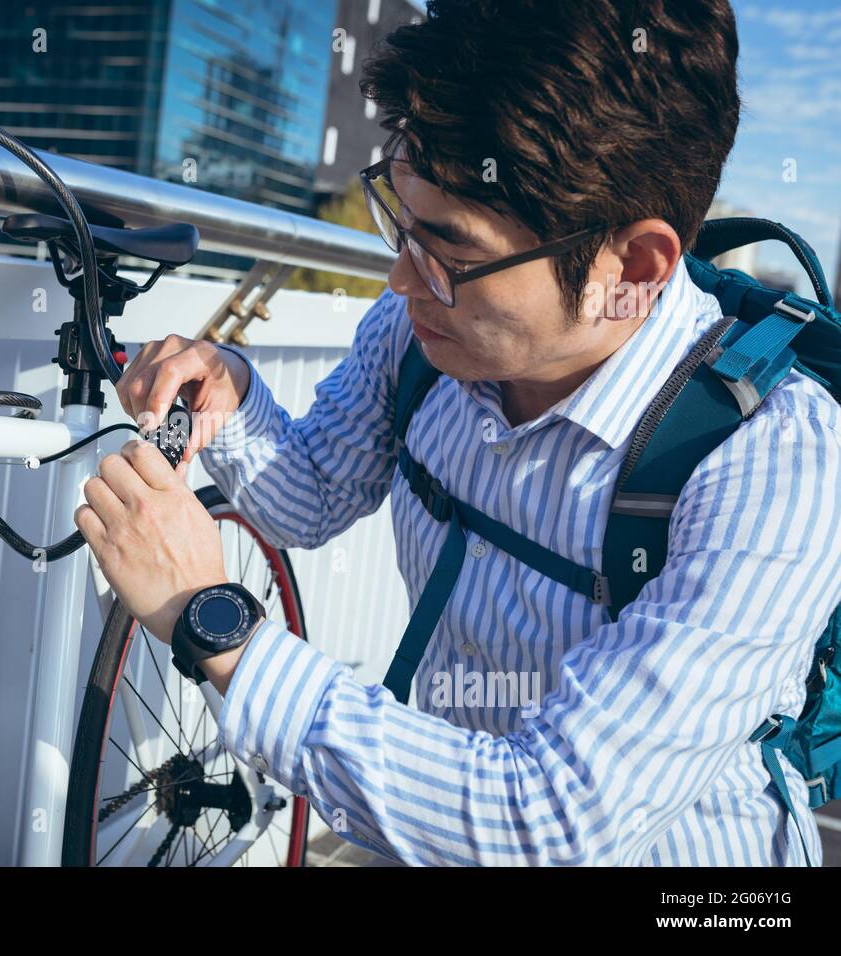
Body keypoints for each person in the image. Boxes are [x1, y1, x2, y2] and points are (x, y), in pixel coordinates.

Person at [71, 0, 841, 865]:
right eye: (399, 220)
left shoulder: (771, 461)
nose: (401, 278)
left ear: (632, 269)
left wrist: (215, 625)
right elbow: (311, 495)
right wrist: (233, 390)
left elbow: (549, 820)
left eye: (451, 253)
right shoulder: (425, 338)